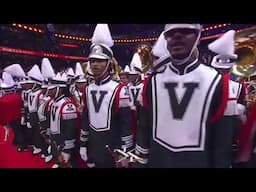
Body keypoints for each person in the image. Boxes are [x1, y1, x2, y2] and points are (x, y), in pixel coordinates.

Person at [135, 24, 232, 168]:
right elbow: (144, 126)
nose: (177, 36)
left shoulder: (218, 82)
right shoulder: (151, 82)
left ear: (198, 37)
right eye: (170, 33)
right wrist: (140, 161)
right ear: (165, 39)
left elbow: (222, 141)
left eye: (186, 31)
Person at [79, 24, 133, 168]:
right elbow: (85, 118)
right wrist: (83, 143)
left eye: (100, 61)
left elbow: (126, 124)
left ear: (109, 63)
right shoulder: (87, 89)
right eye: (92, 61)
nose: (95, 64)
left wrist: (125, 150)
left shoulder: (120, 90)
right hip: (93, 144)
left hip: (113, 147)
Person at [208, 30, 246, 166]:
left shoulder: (239, 86)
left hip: (230, 131)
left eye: (225, 70)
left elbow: (243, 108)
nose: (224, 72)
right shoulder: (208, 85)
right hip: (210, 129)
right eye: (221, 70)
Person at [49, 72, 79, 168]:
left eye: (51, 90)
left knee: (68, 162)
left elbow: (71, 128)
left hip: (64, 140)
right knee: (59, 160)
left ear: (59, 89)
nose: (48, 92)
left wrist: (67, 148)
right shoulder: (54, 102)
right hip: (56, 138)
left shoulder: (67, 105)